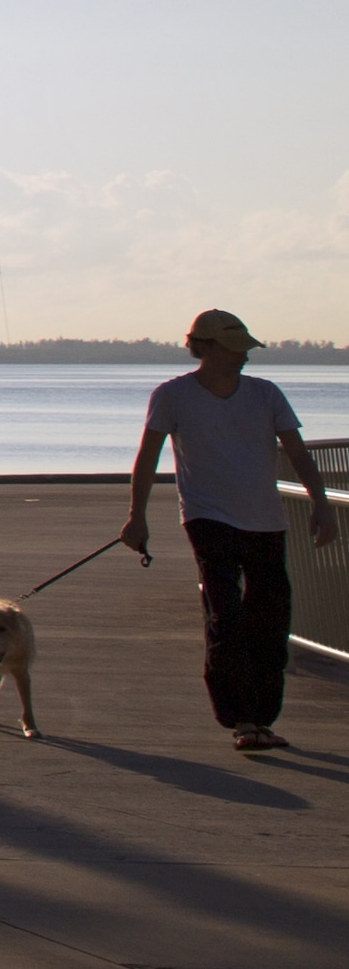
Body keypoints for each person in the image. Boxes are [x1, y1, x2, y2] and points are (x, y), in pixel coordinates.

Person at [119, 308, 334, 754]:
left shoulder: (265, 394)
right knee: (226, 616)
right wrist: (136, 517)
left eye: (245, 349)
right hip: (206, 516)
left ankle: (261, 718)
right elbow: (147, 458)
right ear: (207, 348)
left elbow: (296, 451)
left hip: (266, 520)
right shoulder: (172, 396)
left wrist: (321, 504)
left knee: (271, 619)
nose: (244, 358)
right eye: (236, 349)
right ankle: (239, 718)